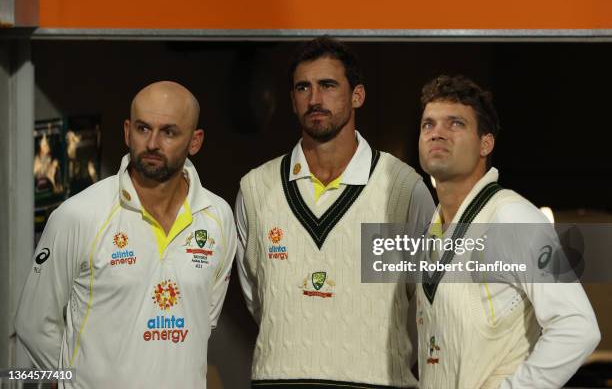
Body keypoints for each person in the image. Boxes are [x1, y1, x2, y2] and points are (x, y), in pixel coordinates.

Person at [235, 37, 435, 388]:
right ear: (292, 101)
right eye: (303, 87)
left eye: (328, 85)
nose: (315, 99)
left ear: (357, 95)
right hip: (279, 380)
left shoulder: (402, 188)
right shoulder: (256, 188)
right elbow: (260, 296)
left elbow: (429, 302)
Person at [15, 81, 237, 388]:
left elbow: (202, 319)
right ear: (126, 131)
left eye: (169, 132)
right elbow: (33, 323)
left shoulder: (219, 216)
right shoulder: (79, 214)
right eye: (143, 129)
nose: (152, 144)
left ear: (195, 141)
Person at [416, 75, 600, 388]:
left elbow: (578, 326)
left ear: (485, 143)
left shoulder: (513, 217)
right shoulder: (433, 230)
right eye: (428, 124)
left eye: (455, 124)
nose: (438, 134)